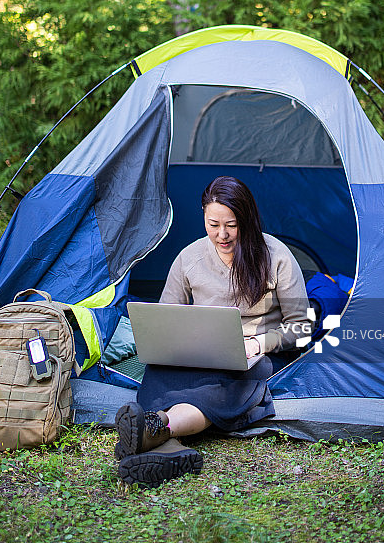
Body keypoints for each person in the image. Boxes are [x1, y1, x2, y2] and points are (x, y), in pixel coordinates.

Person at [114, 176, 310, 488]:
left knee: (221, 388)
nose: (222, 234)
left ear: (246, 219)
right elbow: (166, 316)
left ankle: (156, 430)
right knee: (159, 374)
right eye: (213, 224)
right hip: (203, 351)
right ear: (203, 216)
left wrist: (259, 342)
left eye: (231, 224)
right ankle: (164, 443)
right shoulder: (189, 258)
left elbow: (301, 327)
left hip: (260, 356)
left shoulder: (278, 256)